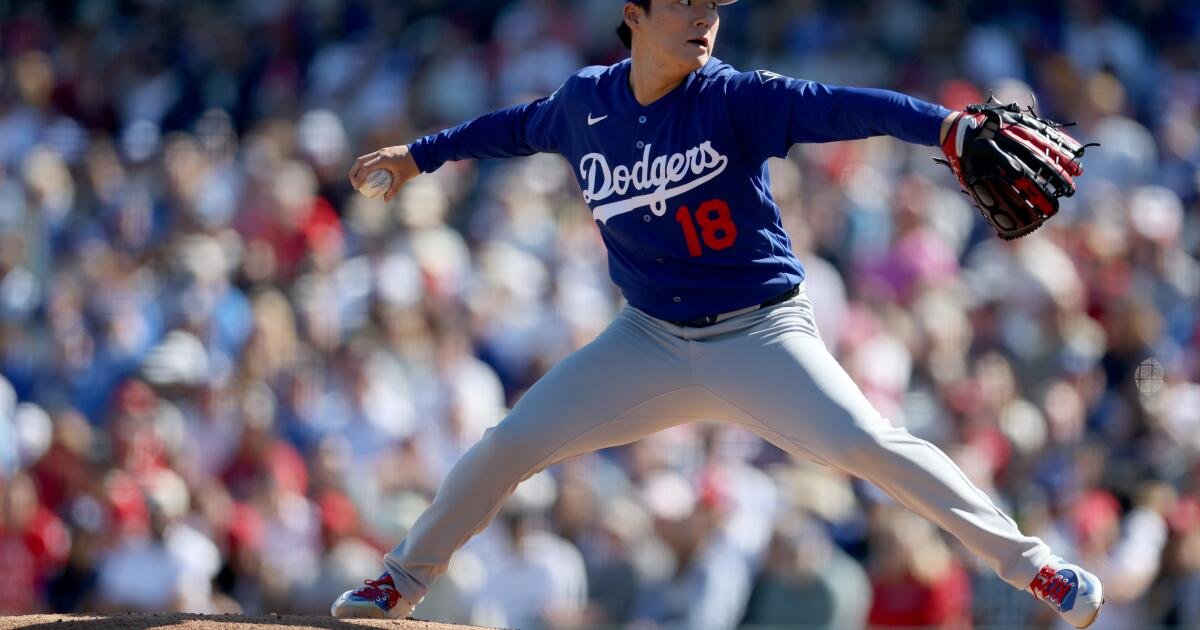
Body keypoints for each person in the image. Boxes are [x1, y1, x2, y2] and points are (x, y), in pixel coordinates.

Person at [333, 0, 1106, 627]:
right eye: (685, 2)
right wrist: (417, 155)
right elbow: (508, 127)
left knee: (868, 442)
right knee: (509, 444)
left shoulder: (732, 97)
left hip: (762, 334)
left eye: (714, 5)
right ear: (634, 14)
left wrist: (943, 124)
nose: (704, 16)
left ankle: (1035, 567)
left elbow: (846, 108)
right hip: (646, 342)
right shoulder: (584, 103)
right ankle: (399, 583)